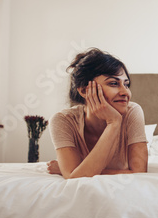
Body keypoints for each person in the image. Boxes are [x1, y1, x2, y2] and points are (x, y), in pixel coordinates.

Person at [47, 48, 148, 179]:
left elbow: (139, 174)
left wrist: (74, 170)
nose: (125, 93)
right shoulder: (63, 120)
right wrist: (114, 123)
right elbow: (75, 178)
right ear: (84, 90)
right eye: (113, 83)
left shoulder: (132, 112)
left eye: (126, 84)